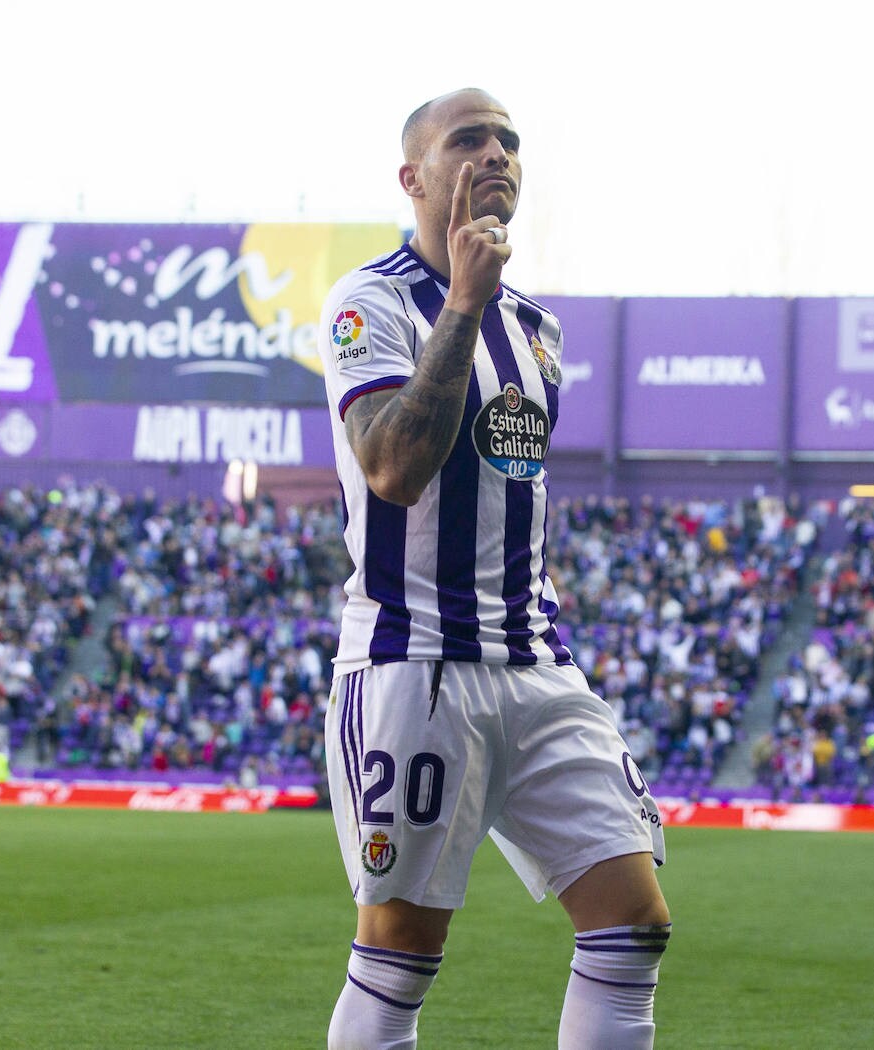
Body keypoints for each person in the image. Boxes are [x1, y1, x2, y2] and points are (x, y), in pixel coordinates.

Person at [317, 90, 670, 1049]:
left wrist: (486, 303)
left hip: (537, 663)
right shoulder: (369, 301)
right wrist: (464, 302)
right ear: (414, 177)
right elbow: (390, 468)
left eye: (510, 141)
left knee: (633, 926)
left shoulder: (541, 332)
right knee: (398, 955)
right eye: (468, 139)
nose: (497, 155)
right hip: (414, 663)